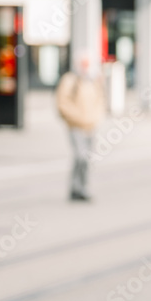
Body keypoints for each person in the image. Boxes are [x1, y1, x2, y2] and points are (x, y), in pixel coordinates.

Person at [55, 57, 106, 201]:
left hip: (90, 126)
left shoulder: (92, 81)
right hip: (75, 125)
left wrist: (96, 117)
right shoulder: (70, 80)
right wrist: (76, 117)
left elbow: (100, 101)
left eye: (87, 64)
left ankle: (81, 188)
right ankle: (77, 188)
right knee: (80, 156)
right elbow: (62, 102)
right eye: (83, 64)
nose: (85, 67)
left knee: (86, 159)